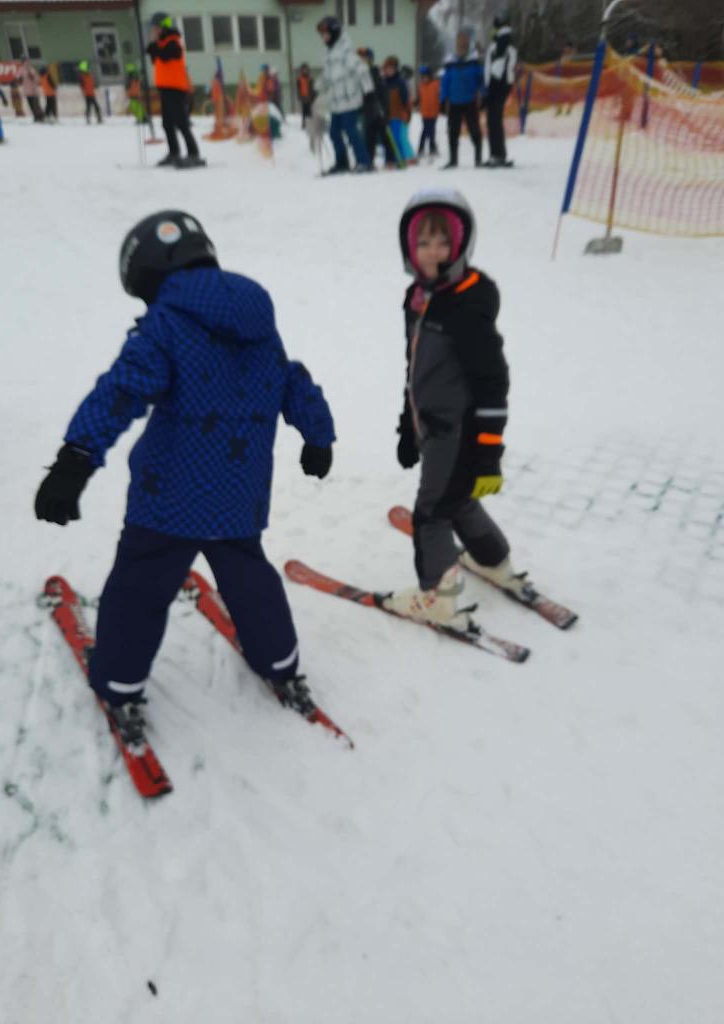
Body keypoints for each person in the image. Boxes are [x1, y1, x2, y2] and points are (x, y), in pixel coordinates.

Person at [34, 210, 336, 744]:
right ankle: (281, 662)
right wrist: (318, 437)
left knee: (139, 589)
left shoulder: (166, 324)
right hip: (240, 496)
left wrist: (75, 458)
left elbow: (121, 391)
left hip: (167, 500)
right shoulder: (258, 325)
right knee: (250, 581)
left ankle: (120, 684)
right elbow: (292, 381)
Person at [384, 189, 531, 627]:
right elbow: (416, 367)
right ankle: (493, 559)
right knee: (460, 497)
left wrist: (487, 451)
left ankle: (438, 596)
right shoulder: (419, 298)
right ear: (409, 247)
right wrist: (407, 428)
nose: (433, 252)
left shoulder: (467, 304)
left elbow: (492, 381)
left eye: (443, 242)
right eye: (423, 242)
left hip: (458, 431)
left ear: (462, 244)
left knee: (432, 511)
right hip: (432, 426)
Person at [146, 12, 204, 168]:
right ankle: (174, 152)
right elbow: (153, 55)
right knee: (167, 123)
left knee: (181, 123)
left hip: (175, 89)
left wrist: (155, 45)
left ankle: (194, 153)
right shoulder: (162, 43)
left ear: (162, 27)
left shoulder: (173, 42)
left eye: (155, 28)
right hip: (165, 88)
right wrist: (154, 43)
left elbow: (165, 55)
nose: (153, 31)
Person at [316, 15, 372, 173]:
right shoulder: (328, 55)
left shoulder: (346, 52)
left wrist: (368, 92)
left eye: (325, 34)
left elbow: (362, 71)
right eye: (321, 35)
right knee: (334, 133)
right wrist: (316, 89)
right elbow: (326, 77)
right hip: (335, 103)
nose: (323, 38)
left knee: (351, 131)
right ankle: (342, 163)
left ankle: (364, 161)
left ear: (334, 33)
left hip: (350, 100)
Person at [440, 30, 484, 169]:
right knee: (453, 132)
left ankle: (478, 159)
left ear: (468, 43)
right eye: (459, 42)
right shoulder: (450, 63)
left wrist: (484, 95)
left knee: (474, 131)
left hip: (470, 101)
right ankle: (453, 160)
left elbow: (481, 80)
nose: (462, 44)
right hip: (454, 103)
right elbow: (445, 82)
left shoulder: (474, 61)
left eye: (464, 42)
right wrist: (443, 100)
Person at [484, 16, 517, 167]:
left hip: (497, 86)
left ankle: (497, 155)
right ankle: (497, 154)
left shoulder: (502, 42)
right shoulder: (502, 42)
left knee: (494, 121)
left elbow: (497, 67)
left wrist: (490, 85)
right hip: (500, 86)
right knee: (494, 121)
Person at [357, 48, 395, 167]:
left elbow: (382, 92)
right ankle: (369, 161)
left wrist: (384, 109)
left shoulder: (375, 72)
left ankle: (390, 160)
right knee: (369, 138)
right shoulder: (359, 75)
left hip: (379, 109)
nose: (362, 61)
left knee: (385, 136)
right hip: (368, 111)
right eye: (361, 59)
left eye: (364, 58)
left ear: (370, 60)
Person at [382, 56, 415, 165]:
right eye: (387, 69)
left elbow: (405, 100)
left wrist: (406, 113)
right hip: (387, 115)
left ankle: (401, 159)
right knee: (388, 139)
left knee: (397, 137)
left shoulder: (400, 82)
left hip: (397, 114)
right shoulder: (384, 82)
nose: (388, 71)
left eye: (391, 69)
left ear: (395, 69)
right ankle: (390, 160)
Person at [417, 65, 440, 159]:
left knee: (431, 131)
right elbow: (420, 99)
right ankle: (422, 148)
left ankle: (432, 148)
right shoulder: (421, 86)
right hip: (425, 113)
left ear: (430, 76)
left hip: (433, 113)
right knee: (425, 131)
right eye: (423, 77)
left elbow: (439, 96)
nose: (424, 79)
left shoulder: (435, 84)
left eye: (426, 77)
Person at [18, 57, 44, 121]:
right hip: (33, 90)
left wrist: (23, 79)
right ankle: (39, 117)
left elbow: (18, 79)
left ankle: (37, 117)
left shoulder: (23, 69)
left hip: (29, 91)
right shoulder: (31, 69)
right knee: (36, 105)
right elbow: (37, 80)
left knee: (33, 105)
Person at [296, 63, 316, 128]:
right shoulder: (299, 79)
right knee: (304, 111)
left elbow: (313, 88)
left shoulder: (310, 78)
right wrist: (299, 96)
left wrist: (313, 97)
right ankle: (304, 124)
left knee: (309, 111)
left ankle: (310, 124)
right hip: (303, 97)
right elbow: (298, 88)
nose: (304, 71)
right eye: (303, 69)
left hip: (309, 97)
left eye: (305, 69)